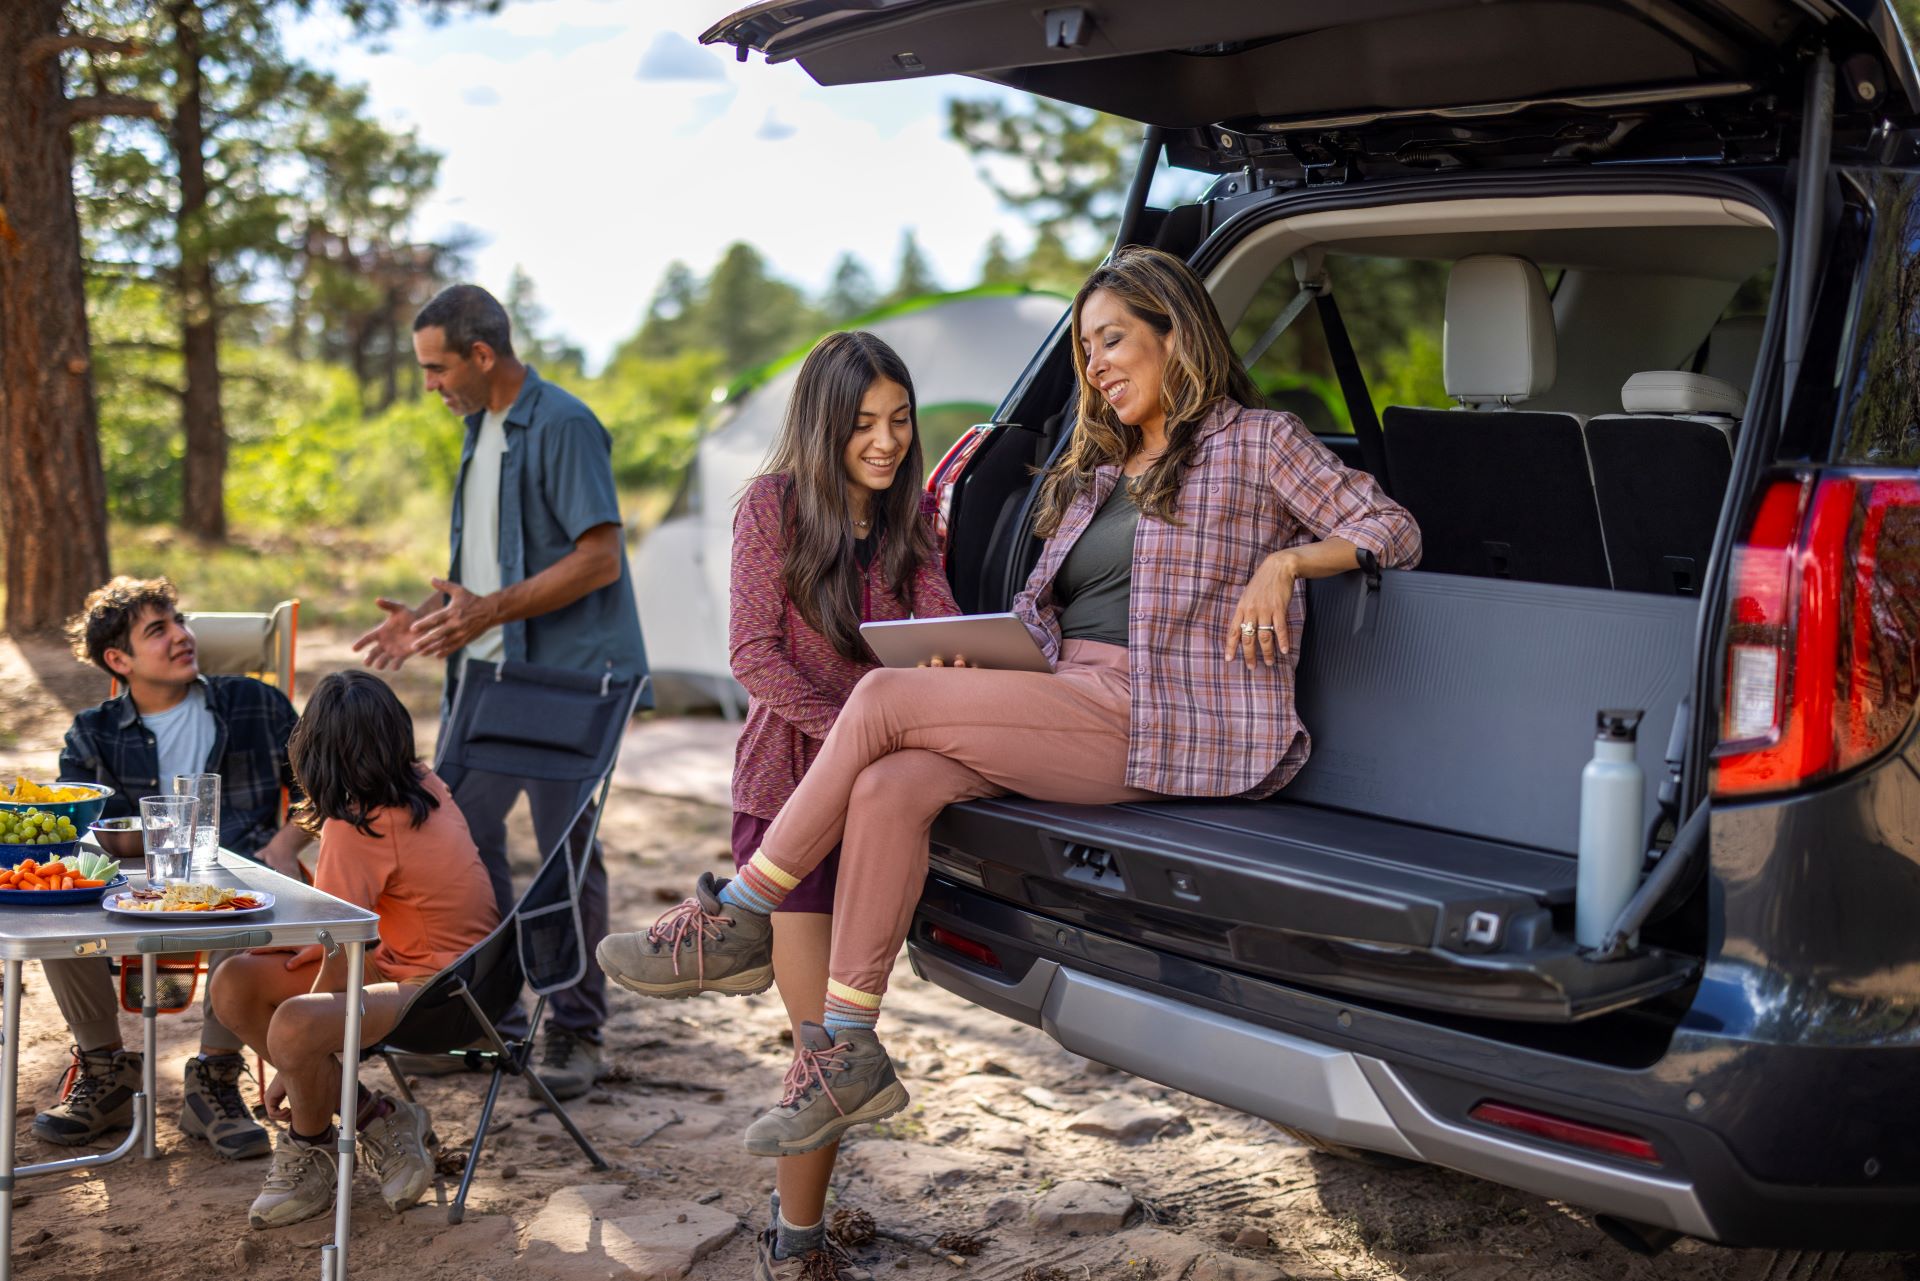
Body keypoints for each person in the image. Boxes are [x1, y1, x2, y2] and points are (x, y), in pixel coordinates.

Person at [599, 245, 1422, 1154]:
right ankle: (851, 1044)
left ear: (1174, 333)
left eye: (1112, 340)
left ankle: (743, 913)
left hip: (1162, 717)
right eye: (1086, 351)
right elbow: (1043, 619)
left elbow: (1391, 526)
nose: (1097, 366)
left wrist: (1287, 561)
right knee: (894, 782)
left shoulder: (1258, 442)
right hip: (1070, 698)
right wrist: (974, 662)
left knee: (879, 699)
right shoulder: (1099, 472)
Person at [351, 283, 647, 1101]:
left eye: (437, 368)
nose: (430, 385)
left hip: (567, 681)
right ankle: (490, 1020)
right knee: (456, 843)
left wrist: (488, 609)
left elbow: (599, 559)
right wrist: (429, 618)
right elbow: (489, 569)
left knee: (563, 856)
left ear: (483, 356)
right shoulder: (479, 429)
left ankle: (576, 1029)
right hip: (487, 671)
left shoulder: (565, 424)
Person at [701, 332, 957, 1278]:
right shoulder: (771, 508)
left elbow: (939, 631)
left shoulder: (909, 518)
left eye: (898, 422)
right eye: (863, 426)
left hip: (887, 809)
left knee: (851, 1041)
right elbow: (751, 655)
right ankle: (795, 1245)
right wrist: (860, 727)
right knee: (820, 1050)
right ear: (822, 425)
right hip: (787, 802)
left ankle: (798, 1230)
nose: (886, 443)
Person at [210, 670, 500, 1229]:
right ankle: (377, 1117)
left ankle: (310, 1145)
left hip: (436, 997)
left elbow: (343, 958)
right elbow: (353, 941)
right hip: (475, 976)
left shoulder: (355, 828)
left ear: (313, 751)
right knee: (234, 982)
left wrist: (288, 1064)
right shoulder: (422, 783)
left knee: (294, 1026)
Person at [42, 576, 311, 1159]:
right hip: (135, 887)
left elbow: (319, 792)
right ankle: (105, 1071)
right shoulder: (94, 731)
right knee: (53, 901)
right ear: (120, 659)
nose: (182, 637)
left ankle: (214, 1078)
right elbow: (85, 833)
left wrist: (288, 843)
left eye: (180, 622)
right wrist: (104, 875)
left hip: (242, 872)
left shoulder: (255, 703)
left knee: (238, 893)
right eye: (157, 630)